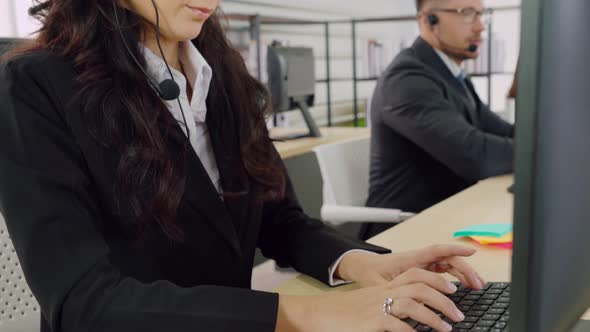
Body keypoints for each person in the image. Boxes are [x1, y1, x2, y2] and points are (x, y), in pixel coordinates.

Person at [0, 1, 485, 331]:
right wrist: (303, 316)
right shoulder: (36, 85)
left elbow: (279, 221)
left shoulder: (222, 73)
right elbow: (84, 302)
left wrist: (365, 264)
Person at [364, 0, 514, 239]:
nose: (480, 27)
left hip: (449, 216)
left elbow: (504, 132)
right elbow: (476, 155)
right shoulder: (407, 79)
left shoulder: (453, 77)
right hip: (405, 233)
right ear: (427, 20)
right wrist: (545, 154)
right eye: (466, 14)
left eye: (479, 14)